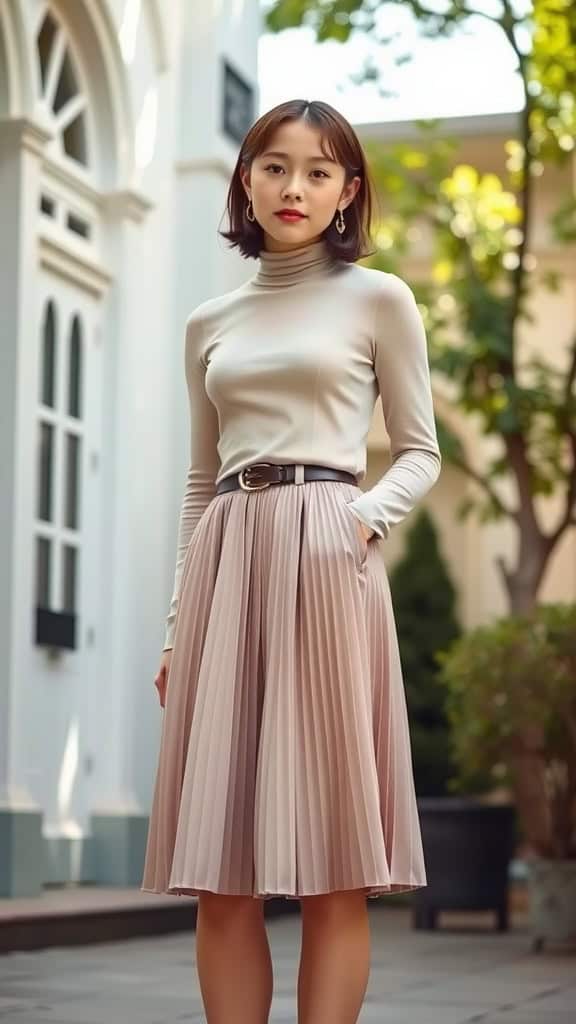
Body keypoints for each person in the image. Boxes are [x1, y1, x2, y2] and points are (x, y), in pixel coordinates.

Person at [141, 98, 442, 1024]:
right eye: (275, 166)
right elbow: (200, 482)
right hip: (230, 561)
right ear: (246, 178)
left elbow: (421, 449)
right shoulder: (209, 322)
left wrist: (358, 521)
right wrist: (177, 623)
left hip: (328, 558)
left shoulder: (379, 298)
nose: (294, 187)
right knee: (220, 872)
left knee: (330, 869)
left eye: (318, 171)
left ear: (349, 191)